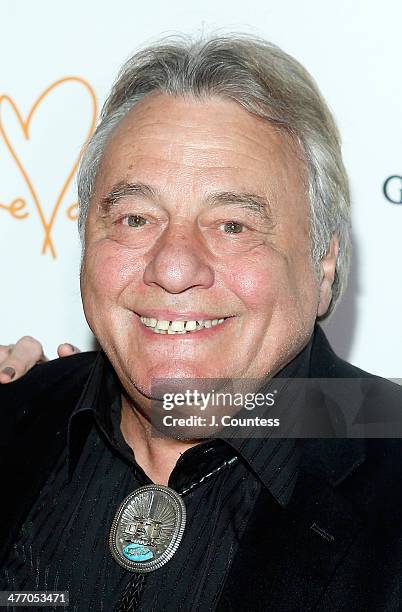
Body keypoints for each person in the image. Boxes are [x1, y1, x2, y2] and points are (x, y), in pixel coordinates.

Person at [1, 34, 402, 612]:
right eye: (136, 218)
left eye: (232, 226)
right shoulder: (15, 416)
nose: (173, 267)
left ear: (323, 262)